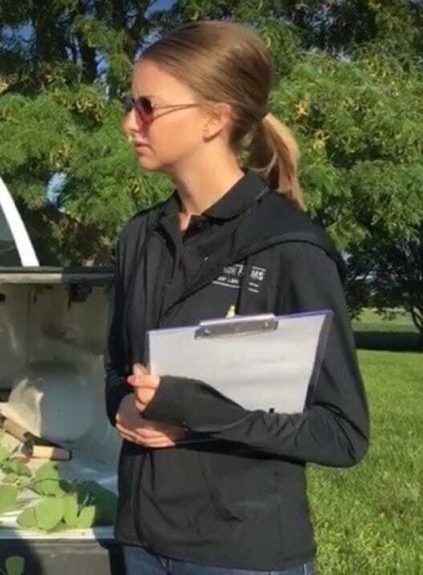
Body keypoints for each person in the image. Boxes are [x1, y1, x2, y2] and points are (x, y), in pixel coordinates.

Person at [105, 21, 369, 574]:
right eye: (131, 104)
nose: (131, 122)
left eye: (149, 106)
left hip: (241, 555)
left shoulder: (290, 246)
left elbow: (341, 434)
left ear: (214, 118)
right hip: (141, 542)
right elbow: (115, 371)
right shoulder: (139, 237)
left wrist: (195, 409)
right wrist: (123, 406)